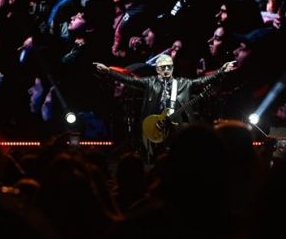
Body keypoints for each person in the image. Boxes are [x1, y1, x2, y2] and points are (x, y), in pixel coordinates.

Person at [93, 54, 236, 161]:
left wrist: (221, 70)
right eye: (163, 67)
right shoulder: (150, 82)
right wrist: (108, 72)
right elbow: (128, 79)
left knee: (180, 155)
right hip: (155, 125)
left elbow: (203, 80)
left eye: (169, 67)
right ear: (157, 69)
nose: (166, 70)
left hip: (176, 125)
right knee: (154, 158)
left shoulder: (182, 83)